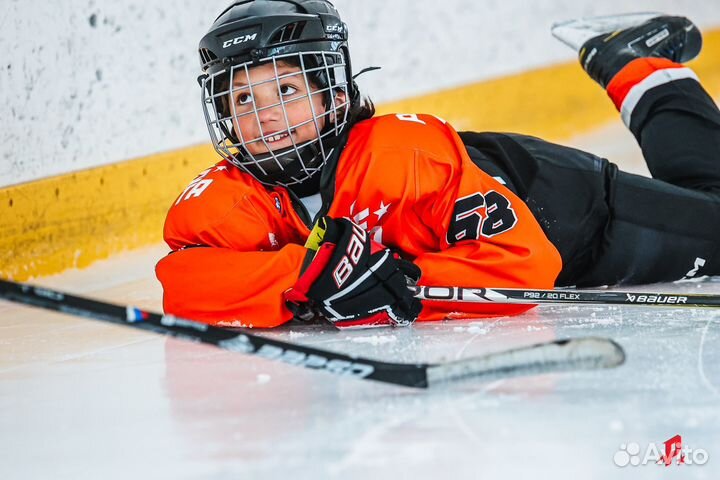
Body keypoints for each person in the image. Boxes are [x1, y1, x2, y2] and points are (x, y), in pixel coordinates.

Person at [156, 0, 720, 329]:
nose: (267, 116)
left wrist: (406, 286)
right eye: (244, 100)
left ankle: (628, 60)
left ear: (331, 94)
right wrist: (305, 276)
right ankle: (638, 66)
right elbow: (183, 281)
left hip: (568, 214)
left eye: (285, 88)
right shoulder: (231, 196)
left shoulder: (402, 157)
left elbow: (525, 265)